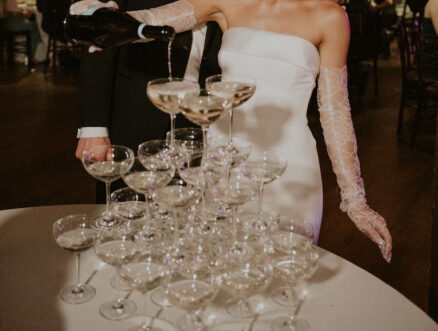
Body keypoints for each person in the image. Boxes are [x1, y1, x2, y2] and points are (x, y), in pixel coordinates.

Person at [70, 0, 392, 262]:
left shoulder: (330, 16)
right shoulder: (226, 1)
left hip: (290, 165)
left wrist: (355, 199)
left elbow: (334, 111)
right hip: (223, 161)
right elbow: (146, 21)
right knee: (218, 266)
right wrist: (98, 17)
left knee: (282, 271)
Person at [73, 0, 222, 202]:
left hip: (201, 117)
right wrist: (94, 127)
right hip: (138, 108)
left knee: (186, 206)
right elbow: (101, 33)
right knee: (126, 203)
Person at [0, 0, 42, 67]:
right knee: (33, 25)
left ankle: (36, 54)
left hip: (6, 21)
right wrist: (23, 12)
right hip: (7, 22)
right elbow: (10, 11)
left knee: (32, 21)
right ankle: (34, 56)